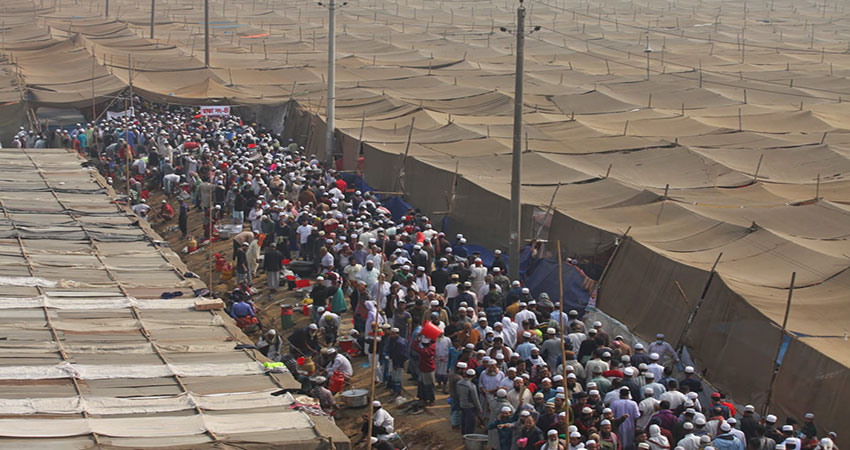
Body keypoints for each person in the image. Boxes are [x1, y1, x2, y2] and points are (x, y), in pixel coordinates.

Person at [457, 368, 483, 435]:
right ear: (474, 376)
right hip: (470, 406)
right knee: (470, 423)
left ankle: (463, 434)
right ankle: (468, 436)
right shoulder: (471, 386)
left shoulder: (459, 383)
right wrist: (479, 408)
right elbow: (475, 398)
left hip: (461, 404)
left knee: (464, 421)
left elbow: (458, 394)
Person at [413, 335, 437, 406]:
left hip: (426, 369)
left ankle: (429, 399)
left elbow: (414, 346)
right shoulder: (432, 347)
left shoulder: (424, 351)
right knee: (427, 385)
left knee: (427, 385)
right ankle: (426, 398)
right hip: (428, 369)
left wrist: (417, 339)